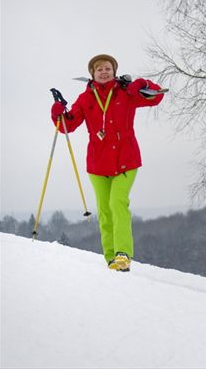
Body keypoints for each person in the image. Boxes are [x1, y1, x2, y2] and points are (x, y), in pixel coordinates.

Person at [50, 54, 165, 272]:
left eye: (108, 68)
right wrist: (58, 114)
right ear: (92, 74)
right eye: (99, 69)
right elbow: (67, 126)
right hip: (98, 164)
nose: (104, 72)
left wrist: (143, 84)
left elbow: (157, 97)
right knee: (104, 210)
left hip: (126, 160)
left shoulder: (126, 92)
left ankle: (123, 254)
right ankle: (111, 257)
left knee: (117, 203)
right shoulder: (85, 99)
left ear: (114, 71)